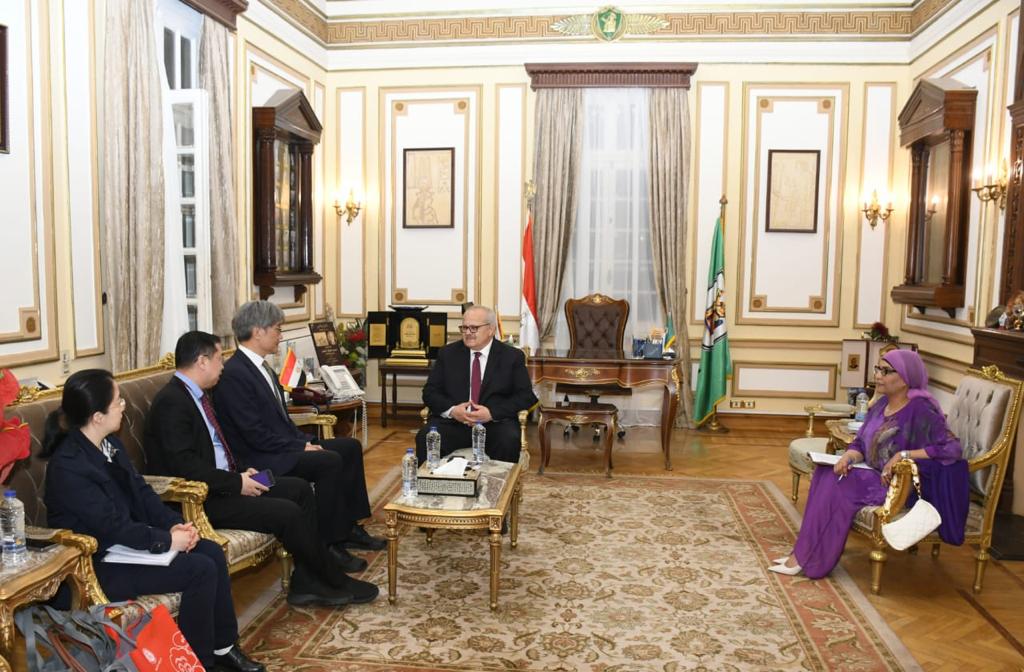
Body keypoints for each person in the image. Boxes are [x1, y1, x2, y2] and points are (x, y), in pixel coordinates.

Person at [42, 370, 265, 672]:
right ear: (97, 416)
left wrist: (173, 524)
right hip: (96, 563)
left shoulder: (110, 445)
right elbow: (111, 526)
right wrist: (166, 541)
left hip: (127, 546)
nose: (124, 406)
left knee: (210, 551)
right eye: (118, 401)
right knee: (198, 570)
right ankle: (196, 663)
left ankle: (223, 647)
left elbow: (142, 493)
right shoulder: (68, 466)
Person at [144, 331, 378, 607]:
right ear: (202, 361)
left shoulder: (196, 395)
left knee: (299, 489)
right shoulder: (172, 403)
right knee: (287, 512)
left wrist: (244, 472)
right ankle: (331, 579)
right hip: (206, 498)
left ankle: (306, 579)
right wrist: (236, 483)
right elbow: (185, 467)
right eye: (219, 359)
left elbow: (219, 448)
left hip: (231, 480)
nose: (223, 366)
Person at [214, 301, 385, 574]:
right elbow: (254, 434)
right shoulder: (235, 374)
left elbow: (281, 422)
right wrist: (300, 447)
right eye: (277, 329)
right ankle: (329, 543)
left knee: (349, 447)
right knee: (328, 461)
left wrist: (304, 442)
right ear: (258, 332)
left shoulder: (262, 367)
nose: (280, 335)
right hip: (260, 464)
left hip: (281, 449)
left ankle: (349, 527)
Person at [771, 349, 969, 578]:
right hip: (871, 473)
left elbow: (952, 448)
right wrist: (848, 457)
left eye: (886, 371)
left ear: (906, 378)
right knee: (825, 473)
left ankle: (808, 560)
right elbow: (860, 443)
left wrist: (904, 455)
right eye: (878, 369)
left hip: (897, 484)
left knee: (839, 485)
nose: (878, 375)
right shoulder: (880, 405)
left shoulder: (921, 409)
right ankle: (803, 553)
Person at [416, 305, 538, 463]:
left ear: (491, 330)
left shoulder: (511, 356)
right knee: (425, 437)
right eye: (464, 328)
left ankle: (500, 480)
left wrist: (491, 413)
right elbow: (430, 392)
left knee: (509, 439)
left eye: (474, 328)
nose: (467, 332)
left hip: (495, 424)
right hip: (454, 423)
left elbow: (526, 396)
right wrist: (453, 410)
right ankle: (430, 480)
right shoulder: (448, 353)